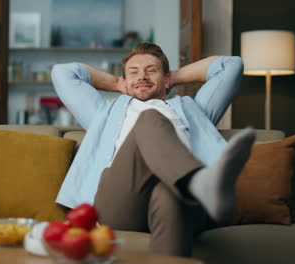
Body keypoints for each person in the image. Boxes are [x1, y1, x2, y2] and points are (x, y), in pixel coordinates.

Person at [51, 42, 255, 257]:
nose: (142, 76)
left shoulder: (193, 109)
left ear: (166, 79)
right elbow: (62, 72)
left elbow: (231, 66)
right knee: (149, 118)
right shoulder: (104, 112)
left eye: (151, 71)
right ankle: (195, 182)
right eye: (134, 72)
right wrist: (118, 83)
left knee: (168, 194)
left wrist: (173, 76)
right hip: (121, 200)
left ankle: (187, 185)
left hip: (179, 200)